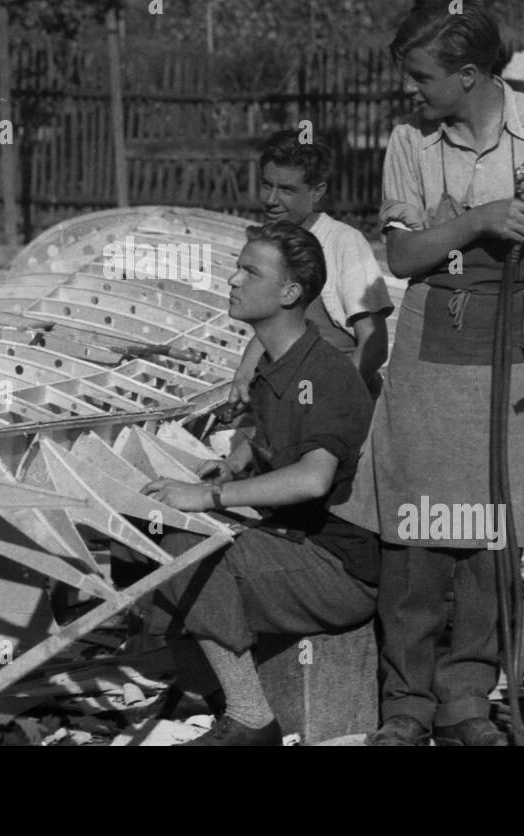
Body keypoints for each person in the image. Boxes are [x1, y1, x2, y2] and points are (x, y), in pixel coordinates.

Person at [369, 1, 524, 747]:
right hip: (429, 337)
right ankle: (405, 705)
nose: (412, 91)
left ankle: (467, 697)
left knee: (489, 524)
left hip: (515, 336)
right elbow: (403, 259)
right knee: (417, 525)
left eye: (422, 77)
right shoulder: (410, 141)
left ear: (469, 76)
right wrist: (479, 219)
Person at [143, 220, 379, 746]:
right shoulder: (280, 365)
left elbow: (314, 478)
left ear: (291, 292)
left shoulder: (325, 373)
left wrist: (210, 496)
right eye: (238, 267)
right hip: (298, 543)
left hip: (338, 566)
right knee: (150, 528)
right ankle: (217, 695)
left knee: (185, 546)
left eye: (250, 271)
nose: (233, 279)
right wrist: (234, 463)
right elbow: (276, 435)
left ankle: (251, 716)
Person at [230, 132, 391, 399]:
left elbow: (374, 345)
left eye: (287, 190)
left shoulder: (343, 242)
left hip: (334, 394)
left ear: (317, 192)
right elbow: (274, 325)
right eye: (266, 185)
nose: (271, 200)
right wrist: (243, 376)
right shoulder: (271, 241)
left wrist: (327, 402)